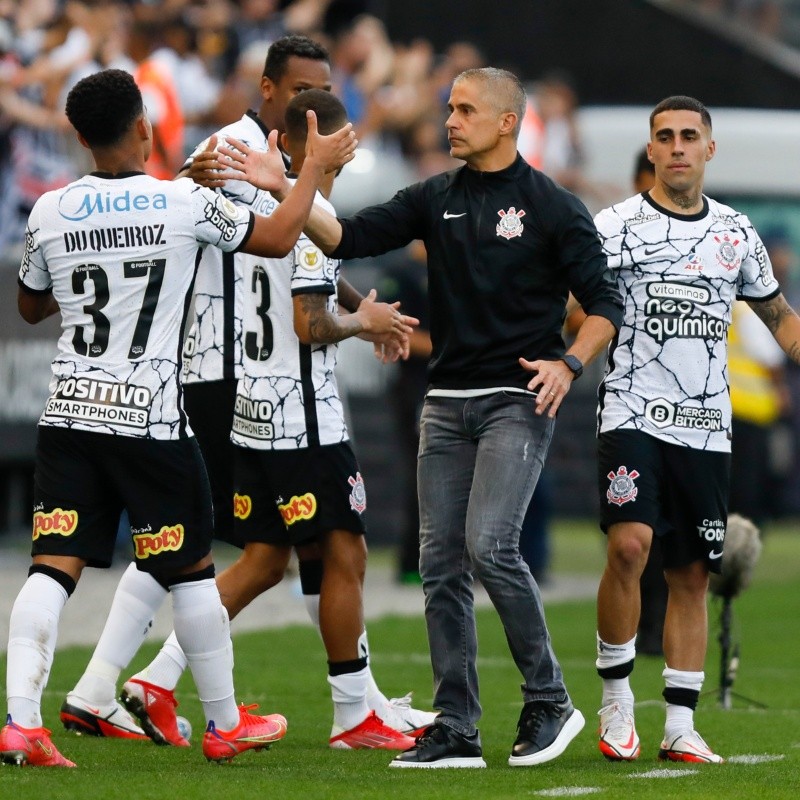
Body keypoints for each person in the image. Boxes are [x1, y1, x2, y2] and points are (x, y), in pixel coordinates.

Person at [216, 66, 623, 768]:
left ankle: (550, 698)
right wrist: (286, 187)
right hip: (444, 403)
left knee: (489, 546)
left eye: (464, 109)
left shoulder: (553, 205)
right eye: (449, 107)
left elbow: (605, 307)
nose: (450, 119)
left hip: (515, 401)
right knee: (437, 565)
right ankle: (457, 725)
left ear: (505, 121)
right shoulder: (436, 196)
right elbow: (343, 235)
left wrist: (570, 364)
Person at [60, 36, 433, 749]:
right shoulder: (244, 157)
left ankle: (134, 683)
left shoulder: (284, 170)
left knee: (267, 551)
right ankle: (109, 684)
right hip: (229, 372)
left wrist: (357, 305)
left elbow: (311, 250)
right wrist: (358, 320)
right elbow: (300, 267)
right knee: (208, 539)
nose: (316, 109)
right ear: (266, 91)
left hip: (250, 372)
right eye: (301, 93)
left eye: (326, 92)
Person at [0, 66, 357, 767]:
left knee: (51, 567)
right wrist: (310, 169)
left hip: (70, 414)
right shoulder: (178, 204)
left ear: (77, 135)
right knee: (191, 569)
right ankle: (225, 724)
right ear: (144, 126)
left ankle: (20, 722)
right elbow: (284, 236)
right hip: (150, 422)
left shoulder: (48, 210)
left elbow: (32, 306)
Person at [591, 95, 800, 765]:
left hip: (708, 427)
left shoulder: (737, 234)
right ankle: (617, 701)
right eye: (664, 137)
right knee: (629, 547)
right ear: (650, 150)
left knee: (691, 574)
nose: (677, 146)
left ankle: (680, 724)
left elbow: (780, 318)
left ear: (710, 150)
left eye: (689, 136)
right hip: (631, 410)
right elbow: (576, 311)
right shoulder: (615, 226)